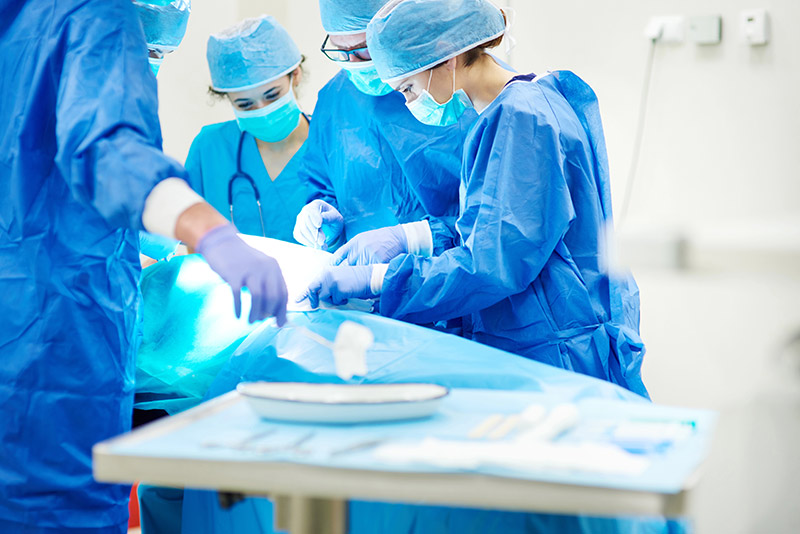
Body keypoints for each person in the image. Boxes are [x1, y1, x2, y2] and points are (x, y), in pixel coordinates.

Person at [0, 1, 289, 532]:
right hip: (52, 351)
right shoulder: (91, 13)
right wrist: (206, 229)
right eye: (146, 50)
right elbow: (108, 153)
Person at [304, 0, 649, 399]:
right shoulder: (515, 110)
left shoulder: (521, 120)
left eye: (408, 88)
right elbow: (491, 227)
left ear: (446, 58)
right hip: (542, 339)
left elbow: (491, 262)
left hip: (554, 350)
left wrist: (380, 280)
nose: (409, 104)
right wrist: (410, 238)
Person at [292, 0, 476, 254]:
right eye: (341, 50)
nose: (354, 63)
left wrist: (418, 238)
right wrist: (325, 223)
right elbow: (323, 182)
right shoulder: (334, 99)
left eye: (364, 49)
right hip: (361, 272)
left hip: (450, 269)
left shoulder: (455, 89)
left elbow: (496, 217)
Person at [185, 15, 311, 242]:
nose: (262, 110)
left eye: (272, 95)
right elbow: (193, 239)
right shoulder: (211, 148)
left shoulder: (331, 142)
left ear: (295, 75)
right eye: (245, 105)